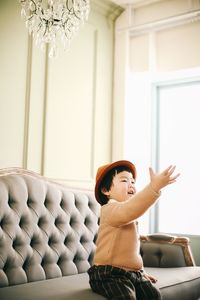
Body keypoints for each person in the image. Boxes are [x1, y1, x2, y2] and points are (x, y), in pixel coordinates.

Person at [88, 160, 180, 300]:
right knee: (126, 297)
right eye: (125, 180)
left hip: (131, 273)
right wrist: (153, 187)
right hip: (107, 273)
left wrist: (140, 272)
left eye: (133, 181)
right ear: (106, 190)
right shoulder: (110, 210)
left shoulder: (128, 215)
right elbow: (133, 208)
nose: (131, 184)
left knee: (154, 295)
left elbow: (130, 251)